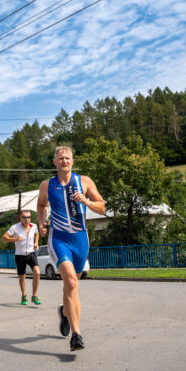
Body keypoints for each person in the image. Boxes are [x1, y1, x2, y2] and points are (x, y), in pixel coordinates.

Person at [37, 146, 105, 351]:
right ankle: (76, 335)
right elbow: (41, 205)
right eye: (60, 158)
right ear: (54, 162)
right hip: (59, 239)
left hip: (80, 240)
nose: (64, 161)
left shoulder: (84, 181)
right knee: (72, 283)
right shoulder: (47, 185)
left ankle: (65, 313)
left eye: (67, 158)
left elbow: (102, 207)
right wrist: (41, 222)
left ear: (72, 161)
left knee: (72, 285)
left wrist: (86, 201)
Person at [1, 210, 41, 306]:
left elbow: (37, 233)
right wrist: (15, 239)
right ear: (20, 218)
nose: (27, 219)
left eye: (29, 217)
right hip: (20, 255)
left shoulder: (34, 226)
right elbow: (3, 238)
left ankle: (34, 295)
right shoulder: (15, 228)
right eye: (25, 217)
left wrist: (36, 242)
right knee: (22, 277)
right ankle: (23, 295)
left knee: (37, 273)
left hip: (31, 253)